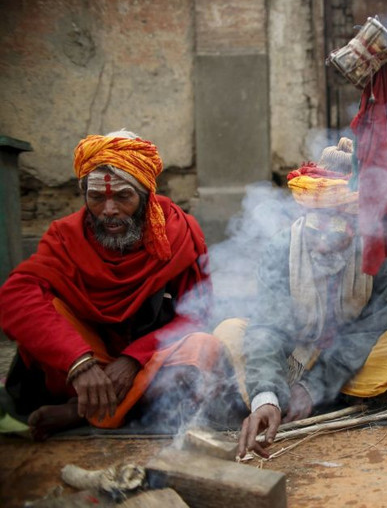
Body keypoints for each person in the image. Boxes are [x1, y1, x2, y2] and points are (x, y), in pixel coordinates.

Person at [0, 130, 236, 439]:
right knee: (43, 311)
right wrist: (79, 363)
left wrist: (133, 359)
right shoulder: (64, 235)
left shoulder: (179, 232)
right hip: (84, 364)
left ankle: (80, 411)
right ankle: (106, 406)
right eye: (97, 198)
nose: (109, 211)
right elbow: (15, 294)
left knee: (204, 349)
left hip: (149, 363)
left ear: (147, 196)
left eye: (123, 197)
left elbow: (195, 314)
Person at [231, 138, 387, 459]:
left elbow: (367, 332)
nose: (322, 245)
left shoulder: (382, 252)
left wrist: (312, 387)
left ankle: (318, 392)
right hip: (292, 354)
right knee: (232, 332)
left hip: (347, 357)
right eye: (315, 229)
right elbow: (268, 327)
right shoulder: (282, 247)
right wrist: (266, 397)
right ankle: (272, 399)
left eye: (336, 234)